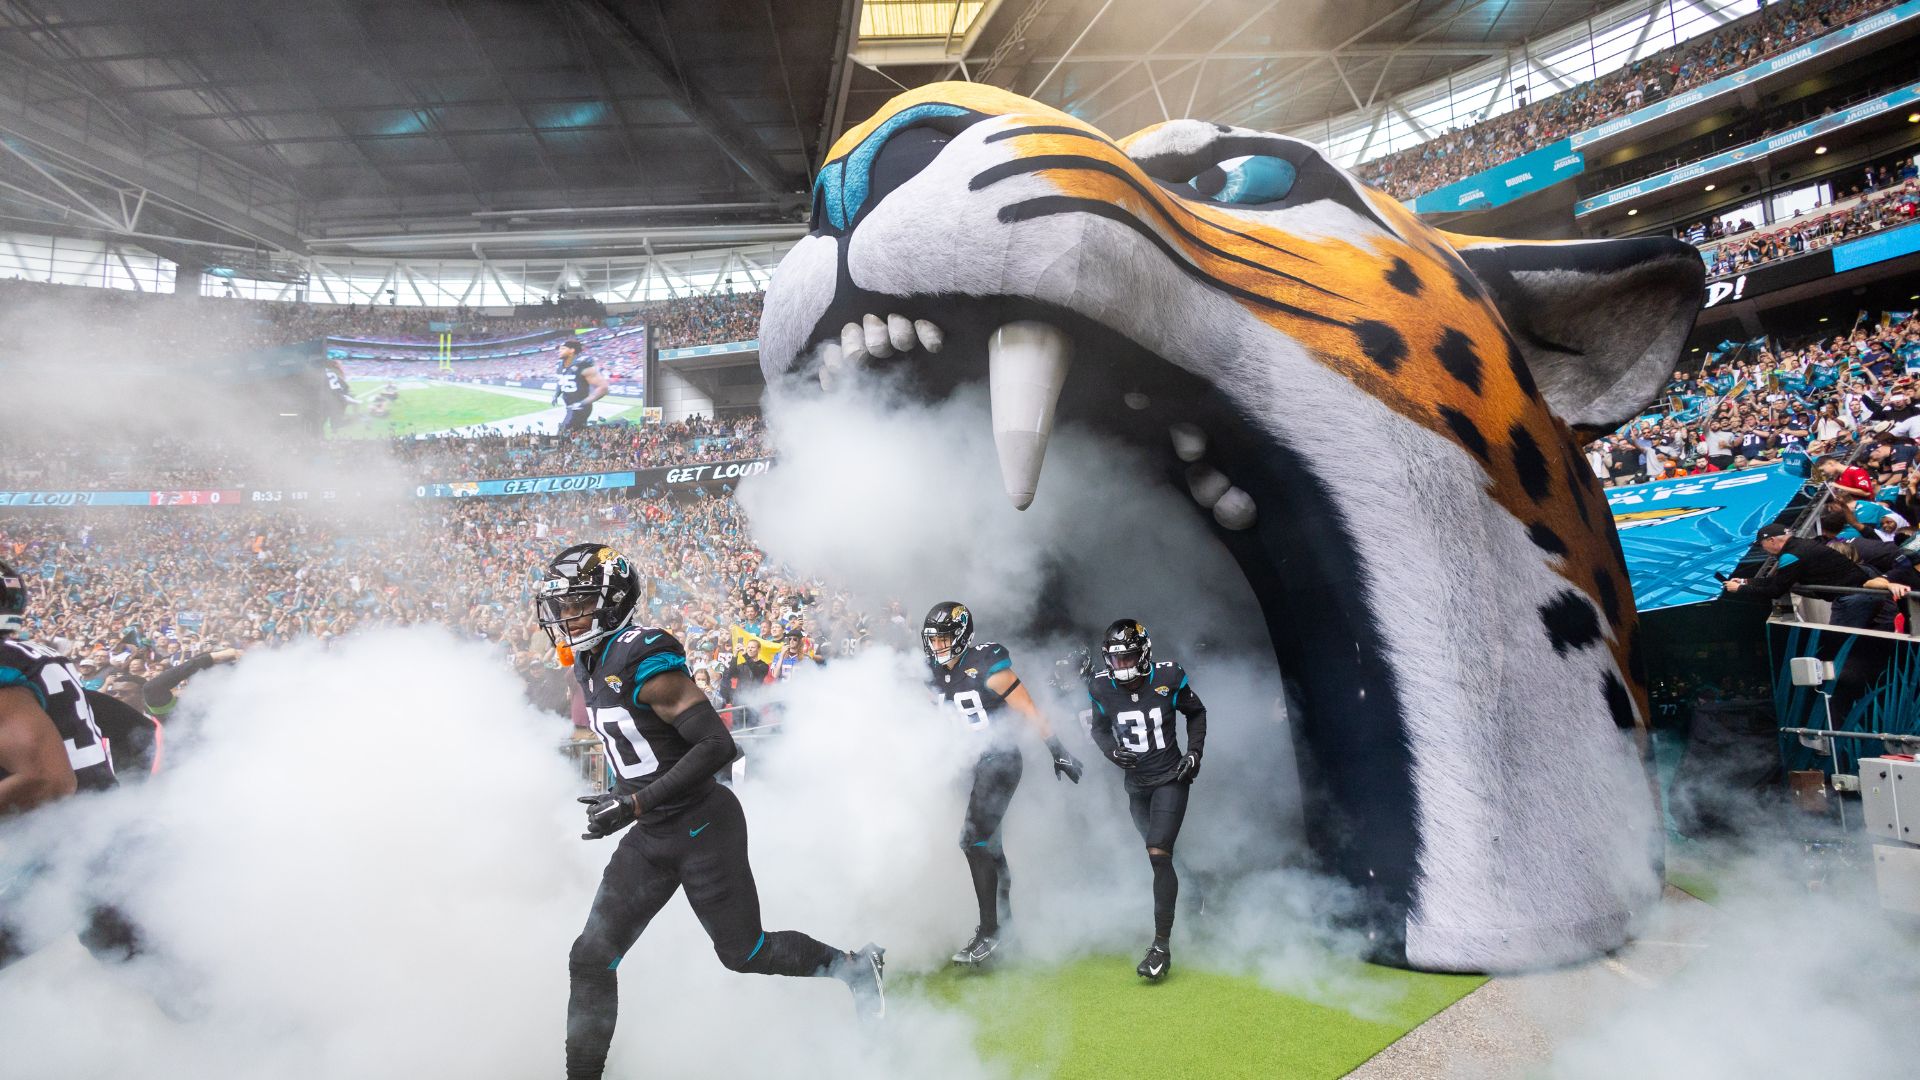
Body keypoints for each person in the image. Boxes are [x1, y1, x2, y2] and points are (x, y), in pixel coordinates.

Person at [537, 544, 883, 1080]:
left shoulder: (640, 654)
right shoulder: (589, 660)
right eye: (563, 604)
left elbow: (718, 746)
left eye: (580, 602)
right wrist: (626, 797)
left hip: (702, 825)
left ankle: (857, 969)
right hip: (652, 833)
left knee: (743, 952)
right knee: (590, 957)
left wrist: (633, 802)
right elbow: (635, 740)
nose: (567, 615)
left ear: (613, 603)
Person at [920, 601, 1083, 967]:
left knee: (972, 839)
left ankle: (991, 932)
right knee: (989, 846)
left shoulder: (988, 664)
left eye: (946, 638)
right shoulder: (933, 671)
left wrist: (1058, 751)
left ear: (963, 635)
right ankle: (1006, 931)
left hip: (1001, 759)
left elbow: (1029, 709)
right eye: (934, 639)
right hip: (971, 763)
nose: (939, 646)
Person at [0, 560, 141, 971]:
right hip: (99, 836)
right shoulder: (32, 654)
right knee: (150, 975)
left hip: (67, 848)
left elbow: (46, 780)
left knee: (168, 985)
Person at [1083, 619, 1207, 981]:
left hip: (1171, 777)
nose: (1121, 667)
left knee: (1157, 851)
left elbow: (1196, 713)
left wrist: (1194, 754)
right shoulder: (1100, 686)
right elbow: (1098, 728)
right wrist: (1111, 752)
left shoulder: (1169, 675)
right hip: (1136, 786)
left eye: (1128, 658)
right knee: (1162, 857)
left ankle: (1161, 947)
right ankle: (1195, 888)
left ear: (1145, 654)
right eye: (1116, 660)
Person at [1722, 524, 1910, 627]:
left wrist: (1741, 588)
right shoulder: (1801, 545)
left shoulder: (1791, 555)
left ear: (1771, 541)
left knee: (1838, 643)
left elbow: (1776, 590)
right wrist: (1746, 580)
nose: (1763, 550)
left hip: (1853, 598)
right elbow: (1780, 580)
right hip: (1859, 594)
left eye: (1762, 545)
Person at [554, 339, 608, 435]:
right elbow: (561, 381)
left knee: (561, 435)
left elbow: (603, 388)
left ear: (572, 350)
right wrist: (556, 395)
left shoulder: (582, 364)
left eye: (563, 348)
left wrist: (582, 403)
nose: (559, 351)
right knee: (575, 434)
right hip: (570, 407)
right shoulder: (560, 364)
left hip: (580, 409)